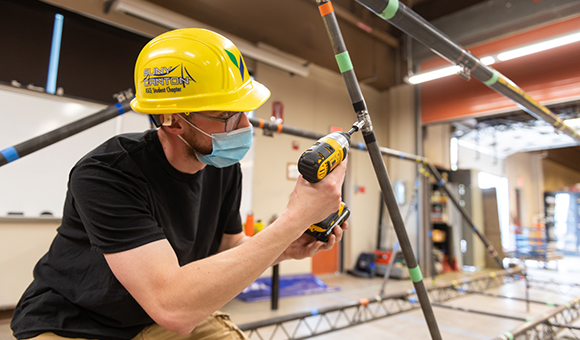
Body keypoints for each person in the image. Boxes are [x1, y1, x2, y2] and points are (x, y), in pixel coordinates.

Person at [11, 28, 347, 340]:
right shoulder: (105, 174)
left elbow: (228, 249)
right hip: (74, 323)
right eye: (228, 115)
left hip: (152, 315)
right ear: (173, 120)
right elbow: (172, 306)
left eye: (245, 111)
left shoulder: (222, 166)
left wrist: (286, 246)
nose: (245, 126)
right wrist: (294, 218)